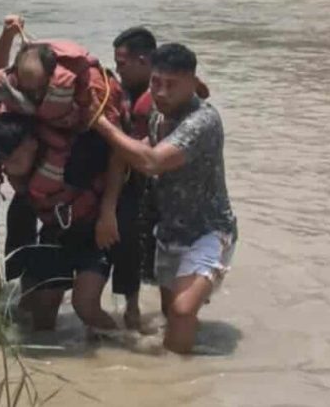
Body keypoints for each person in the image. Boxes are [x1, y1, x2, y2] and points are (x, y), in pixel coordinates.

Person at [90, 43, 237, 354]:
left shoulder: (203, 121)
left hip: (209, 232)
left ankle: (178, 376)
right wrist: (108, 209)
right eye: (156, 82)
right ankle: (174, 363)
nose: (161, 92)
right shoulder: (159, 115)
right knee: (172, 316)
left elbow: (152, 162)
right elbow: (132, 153)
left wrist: (101, 122)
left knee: (182, 311)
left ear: (192, 83)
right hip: (170, 232)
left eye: (172, 85)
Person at [0, 113, 119, 333]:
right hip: (55, 232)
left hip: (94, 232)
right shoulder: (15, 164)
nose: (8, 168)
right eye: (4, 163)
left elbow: (116, 157)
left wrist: (108, 213)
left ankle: (119, 344)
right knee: (41, 314)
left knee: (85, 306)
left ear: (32, 144)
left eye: (14, 160)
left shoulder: (75, 155)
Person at [107, 26, 159, 329]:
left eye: (122, 64)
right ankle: (132, 310)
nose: (118, 70)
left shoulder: (161, 96)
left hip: (154, 185)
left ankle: (138, 311)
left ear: (143, 61)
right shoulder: (121, 92)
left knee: (150, 251)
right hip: (128, 182)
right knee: (126, 245)